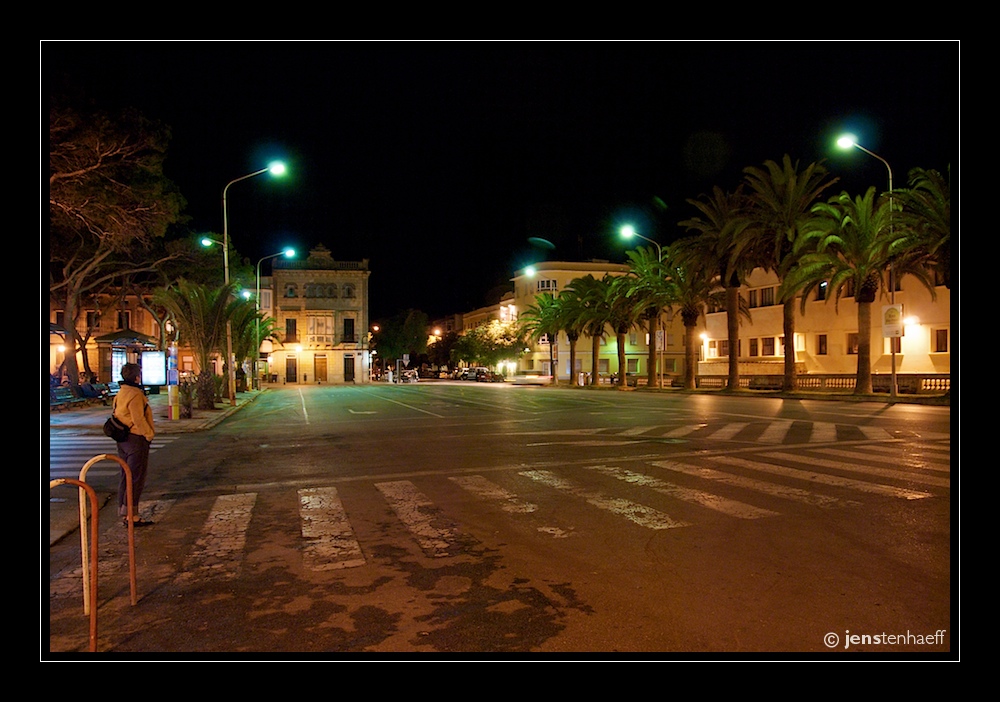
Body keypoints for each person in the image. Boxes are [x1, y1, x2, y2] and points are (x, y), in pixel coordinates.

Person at [113, 363, 155, 526]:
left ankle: (124, 511)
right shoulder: (135, 394)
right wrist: (149, 434)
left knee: (126, 475)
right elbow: (138, 418)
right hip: (136, 438)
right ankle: (132, 515)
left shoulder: (121, 392)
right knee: (136, 477)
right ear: (137, 377)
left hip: (123, 439)